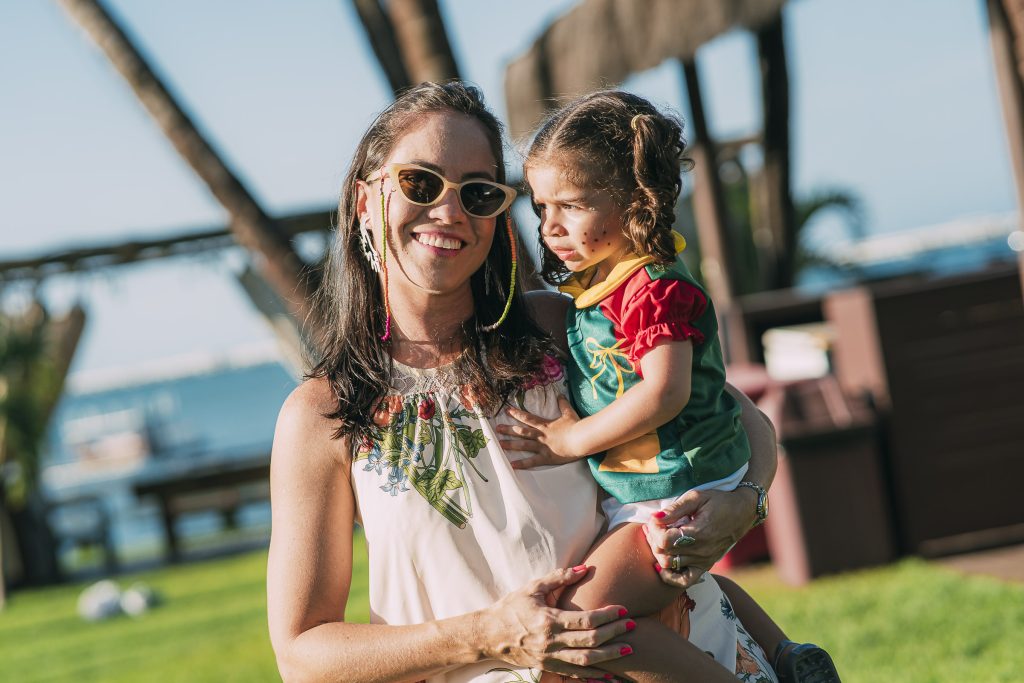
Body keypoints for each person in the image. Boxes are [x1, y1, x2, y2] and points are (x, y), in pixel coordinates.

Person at [267, 81, 795, 683]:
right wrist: (487, 636)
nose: (450, 211)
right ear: (366, 200)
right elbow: (301, 655)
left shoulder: (562, 329)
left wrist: (744, 501)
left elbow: (735, 414)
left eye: (480, 192)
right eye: (420, 183)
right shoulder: (323, 412)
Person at [501, 90, 838, 683]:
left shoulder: (651, 289)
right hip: (664, 483)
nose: (550, 226)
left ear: (635, 202)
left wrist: (569, 441)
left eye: (572, 206)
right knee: (700, 582)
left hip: (678, 485)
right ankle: (786, 656)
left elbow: (665, 392)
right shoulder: (604, 288)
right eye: (541, 206)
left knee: (584, 621)